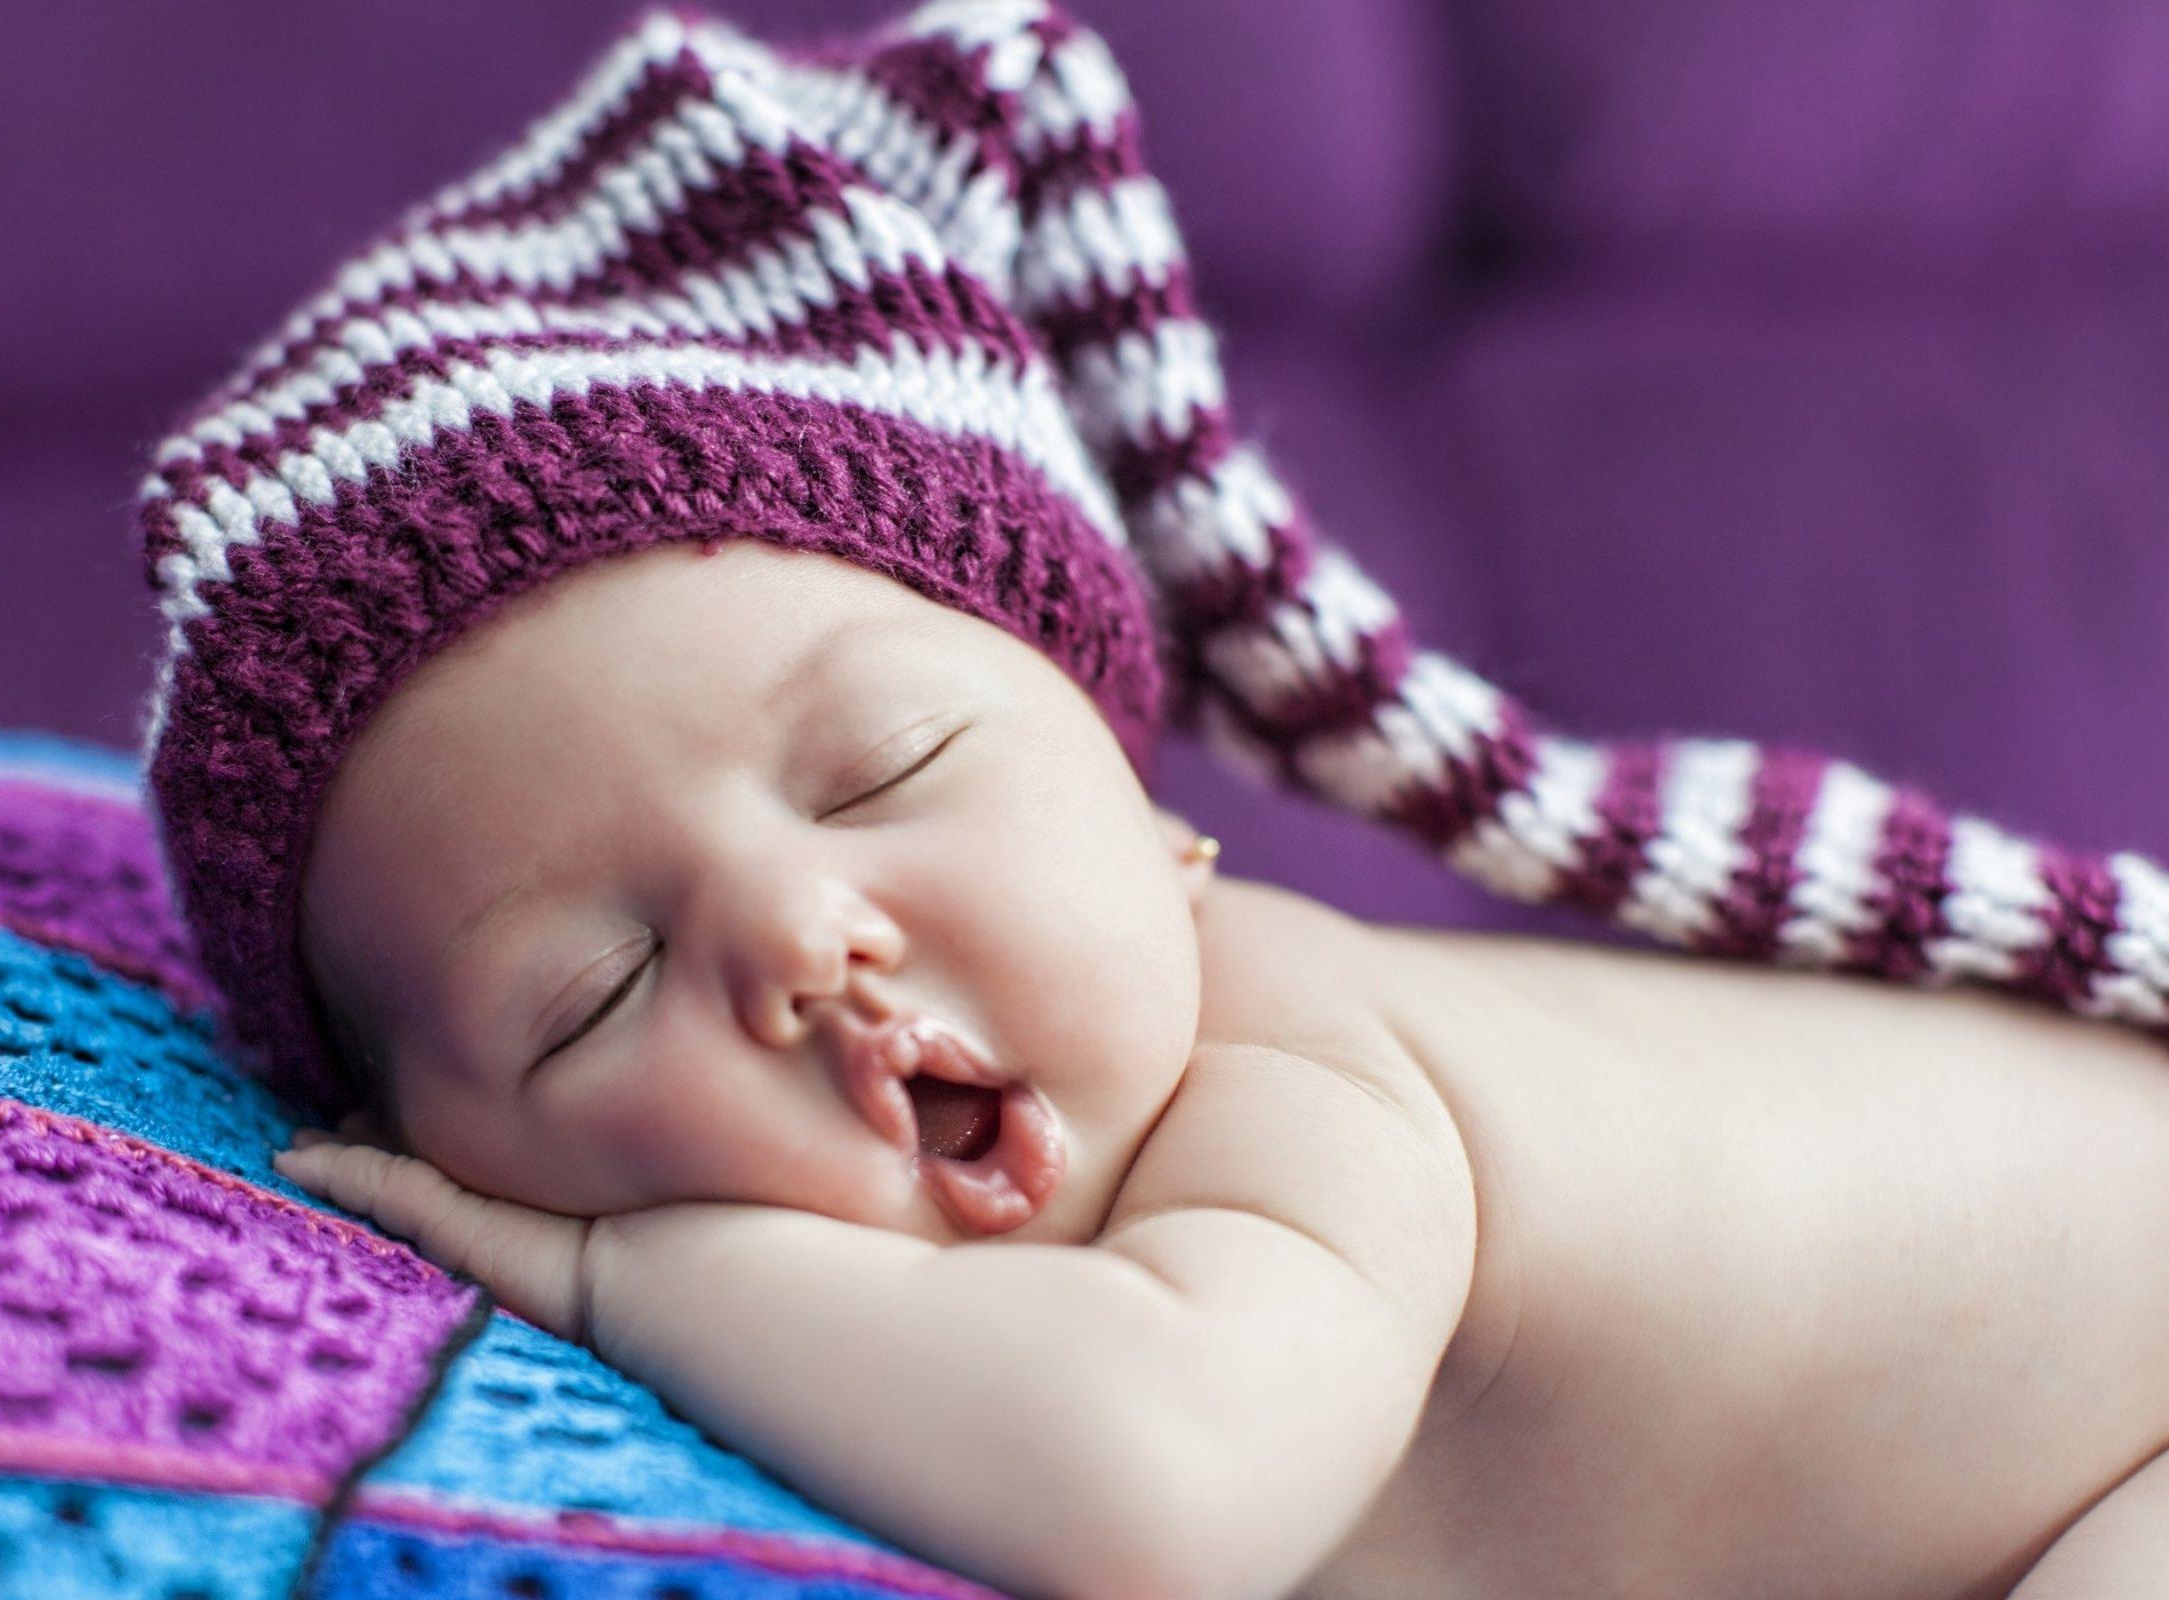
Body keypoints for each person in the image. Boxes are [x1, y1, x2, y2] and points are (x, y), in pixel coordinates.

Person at [137, 4, 2169, 1593]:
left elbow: (1152, 1496)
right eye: (588, 992)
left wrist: (613, 1278)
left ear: (1152, 822)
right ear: (422, 1138)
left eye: (884, 770)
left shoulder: (1293, 1076)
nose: (790, 932)